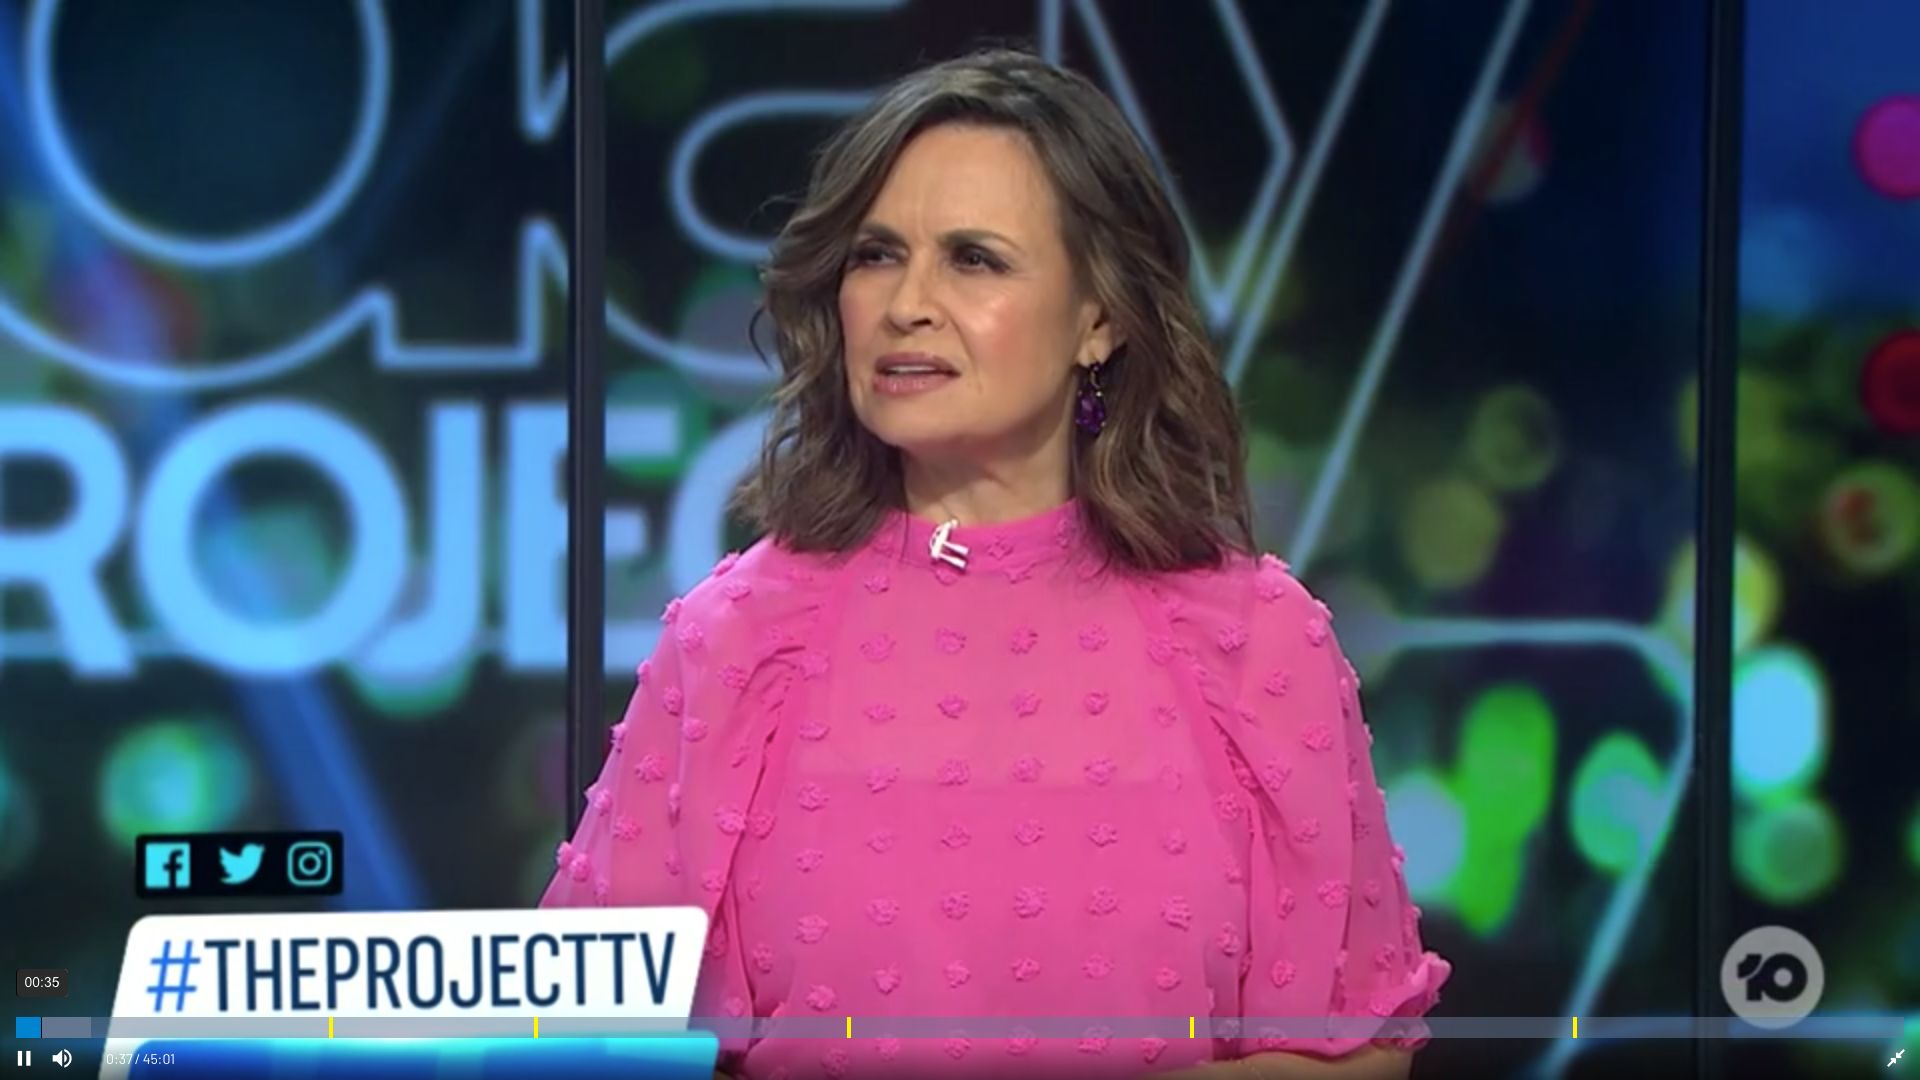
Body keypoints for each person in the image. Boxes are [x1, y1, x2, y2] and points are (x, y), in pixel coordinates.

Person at [543, 46, 1448, 1079]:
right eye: (877, 255)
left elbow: (1359, 1051)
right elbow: (577, 1047)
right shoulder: (736, 640)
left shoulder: (1254, 638)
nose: (906, 303)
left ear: (1099, 319)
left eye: (973, 259)